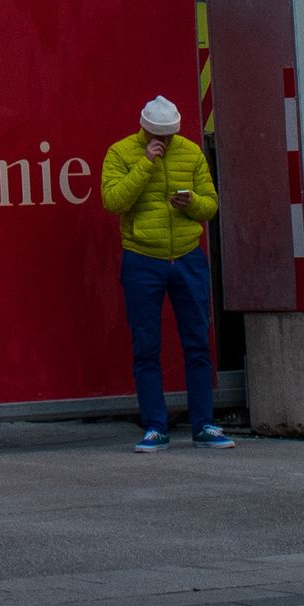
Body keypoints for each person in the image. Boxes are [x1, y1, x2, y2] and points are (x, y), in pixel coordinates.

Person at [102, 94, 232, 452]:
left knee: (198, 344)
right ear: (144, 128)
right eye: (158, 134)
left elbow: (211, 205)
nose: (165, 141)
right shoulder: (121, 152)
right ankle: (155, 426)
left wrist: (191, 204)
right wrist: (144, 165)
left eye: (171, 134)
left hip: (188, 256)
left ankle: (204, 424)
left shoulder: (190, 153)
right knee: (146, 346)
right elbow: (113, 201)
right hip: (142, 258)